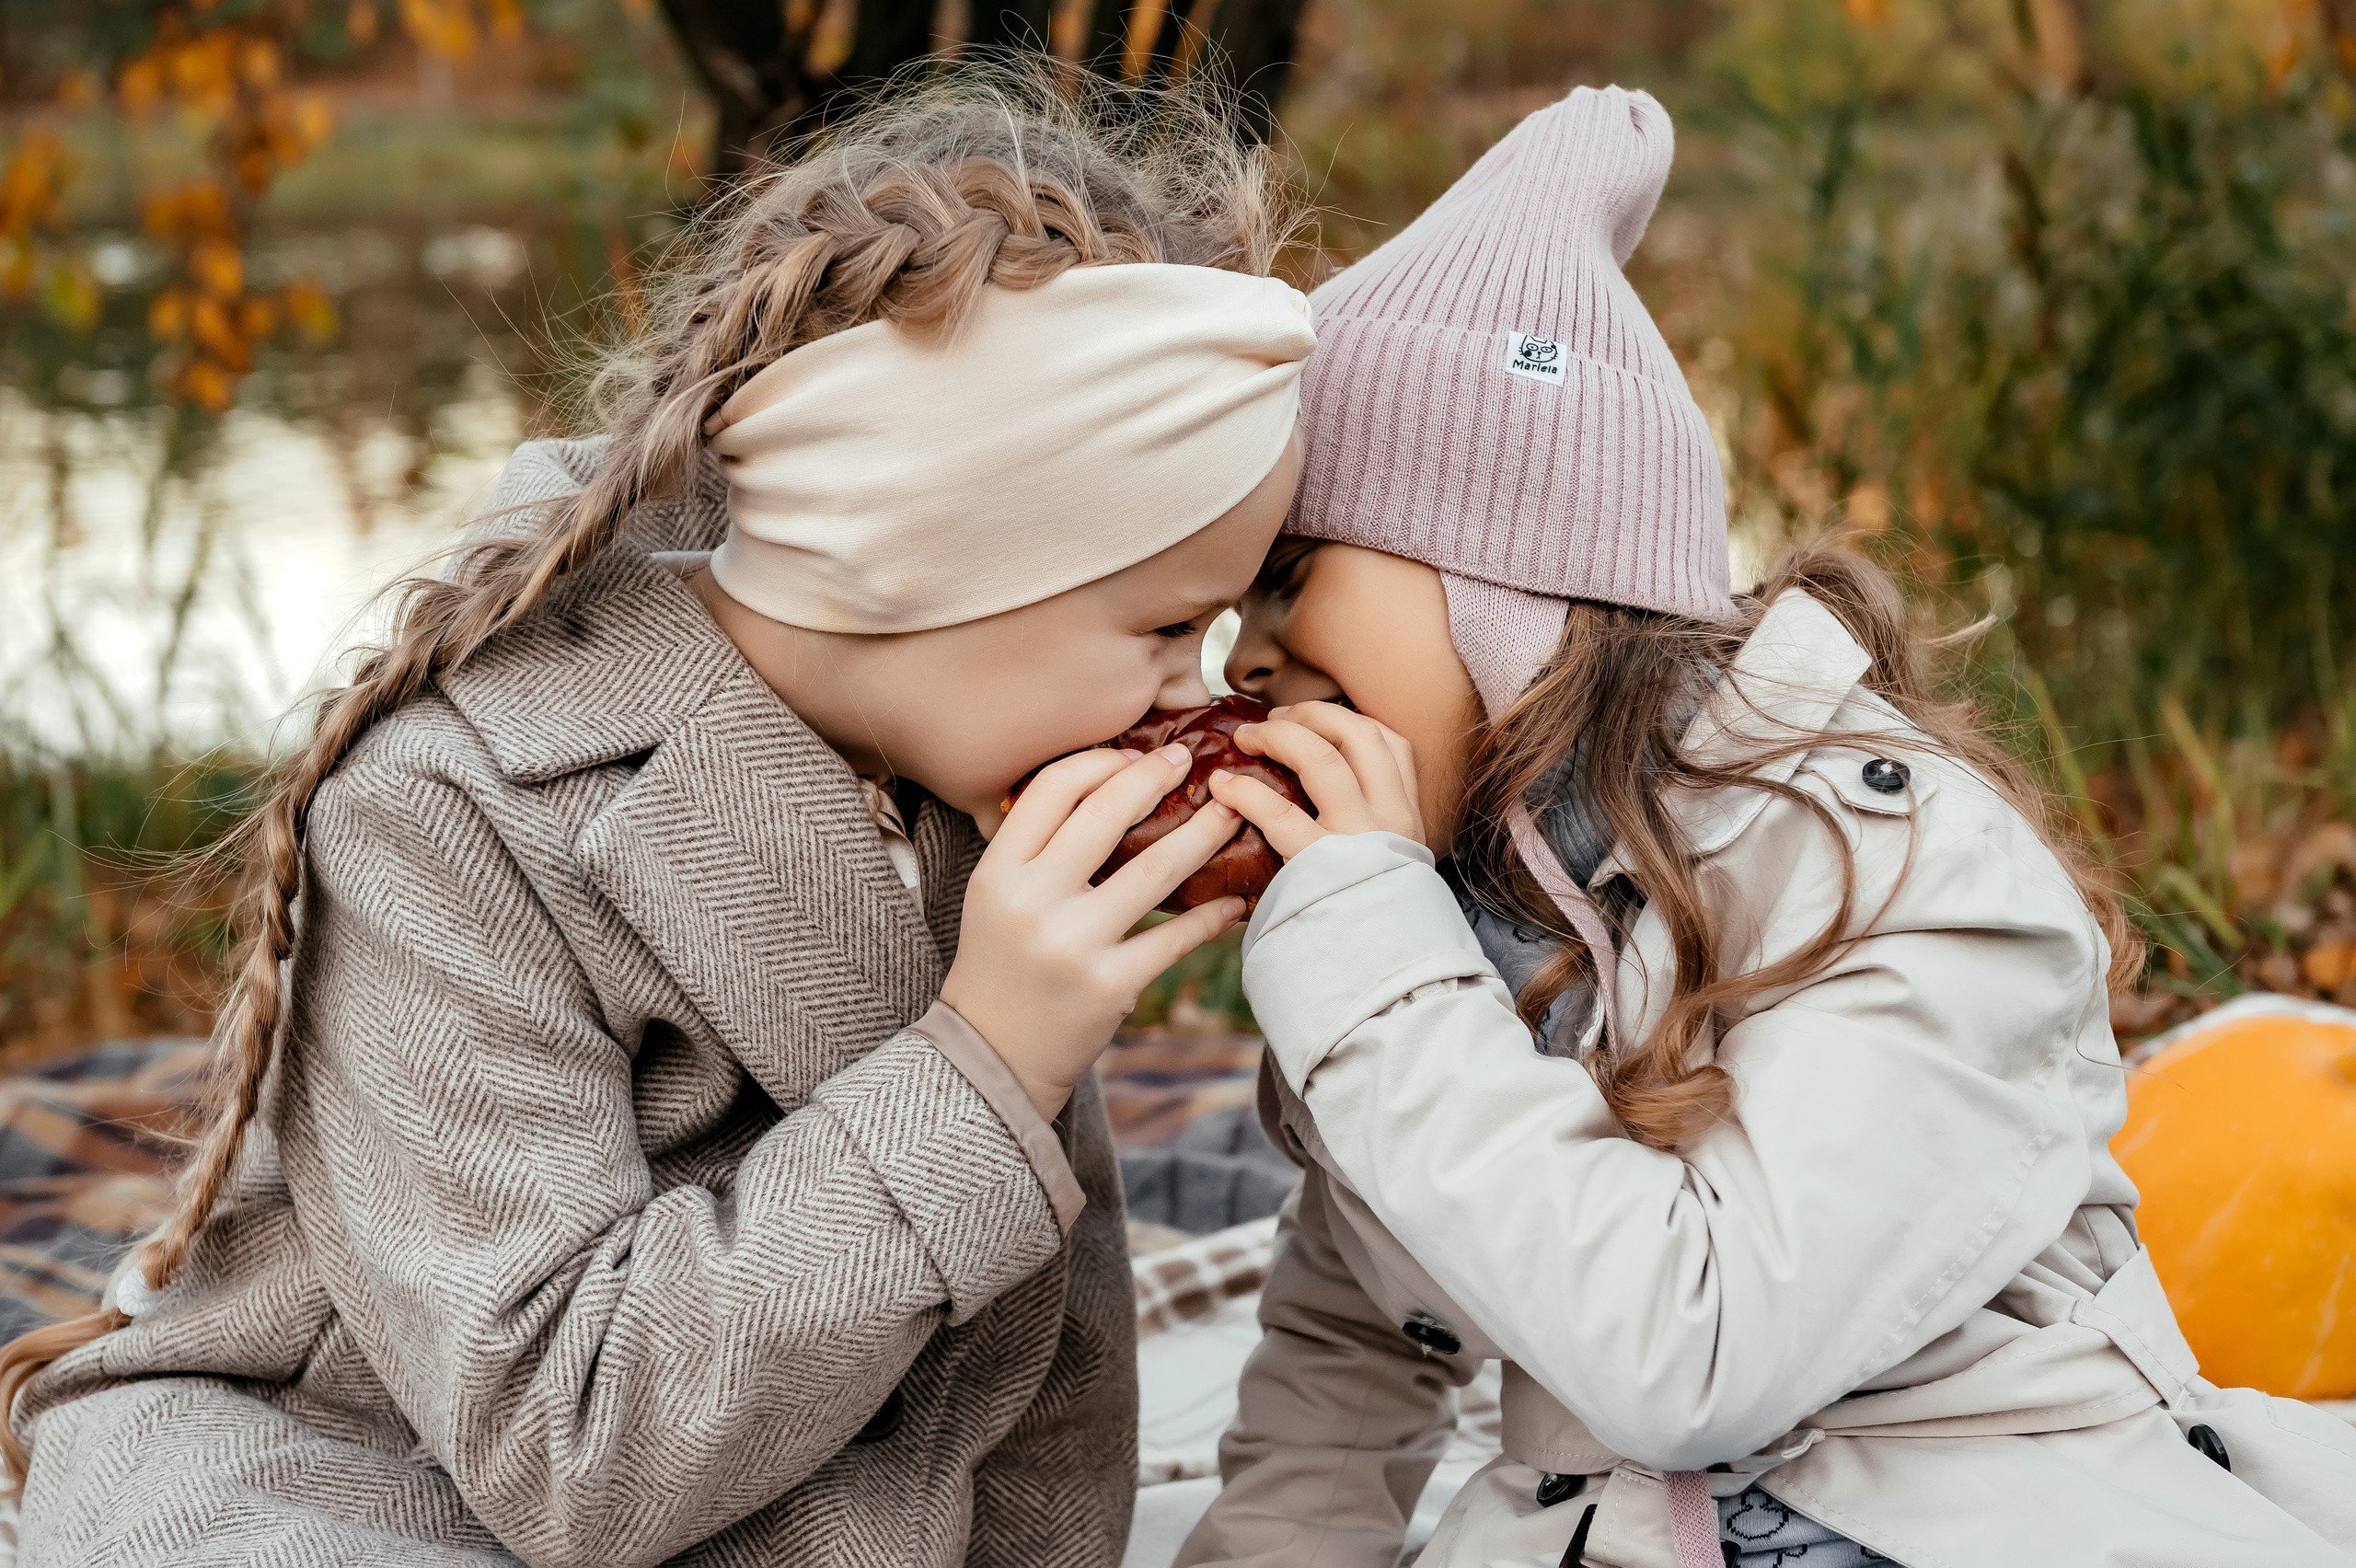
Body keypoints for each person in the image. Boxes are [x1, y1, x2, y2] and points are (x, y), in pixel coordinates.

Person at [0, 70, 1314, 1566]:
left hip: (767, 1487)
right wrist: (980, 1069)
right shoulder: (452, 815)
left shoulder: (964, 761)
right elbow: (564, 1452)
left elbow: (1028, 1353)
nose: (1186, 691)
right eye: (1160, 628)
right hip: (367, 1462)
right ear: (929, 568)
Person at [1175, 86, 2356, 1568]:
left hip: (1967, 1516)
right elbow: (1354, 1344)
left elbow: (1697, 1366)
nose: (1247, 660)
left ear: (1509, 577)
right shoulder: (1437, 905)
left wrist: (1363, 959)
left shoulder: (1891, 868)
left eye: (1289, 576)